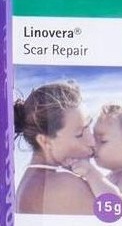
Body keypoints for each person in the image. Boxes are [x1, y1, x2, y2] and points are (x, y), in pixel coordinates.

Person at [13, 81, 96, 214]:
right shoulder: (66, 186)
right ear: (44, 141)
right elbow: (120, 219)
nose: (92, 141)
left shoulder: (30, 181)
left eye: (89, 126)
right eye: (79, 134)